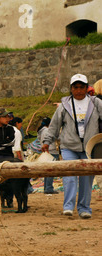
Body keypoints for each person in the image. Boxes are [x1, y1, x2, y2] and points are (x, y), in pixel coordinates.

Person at [42, 74, 102, 219]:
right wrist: (47, 141)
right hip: (69, 146)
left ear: (87, 88)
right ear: (71, 89)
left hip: (89, 146)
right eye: (76, 87)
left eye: (82, 87)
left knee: (86, 179)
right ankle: (68, 206)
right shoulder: (64, 106)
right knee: (69, 176)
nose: (79, 90)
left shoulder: (96, 103)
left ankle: (84, 208)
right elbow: (54, 126)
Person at [38, 117, 59, 194]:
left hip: (47, 151)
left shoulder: (41, 131)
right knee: (51, 171)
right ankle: (49, 188)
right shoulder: (47, 130)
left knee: (47, 171)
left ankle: (46, 187)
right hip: (52, 151)